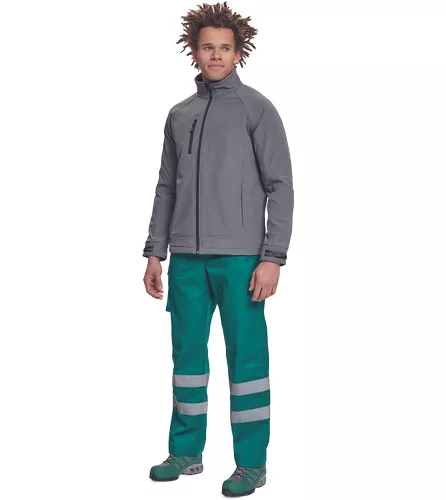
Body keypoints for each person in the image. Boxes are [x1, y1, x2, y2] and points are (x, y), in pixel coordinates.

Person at [142, 2, 294, 496]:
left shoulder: (257, 109)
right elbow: (166, 187)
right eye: (208, 47)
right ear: (194, 50)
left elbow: (280, 186)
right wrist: (155, 251)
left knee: (246, 362)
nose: (216, 55)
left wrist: (272, 257)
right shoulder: (178, 115)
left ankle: (251, 463)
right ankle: (186, 452)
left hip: (241, 259)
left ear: (237, 52)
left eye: (225, 48)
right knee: (186, 358)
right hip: (186, 259)